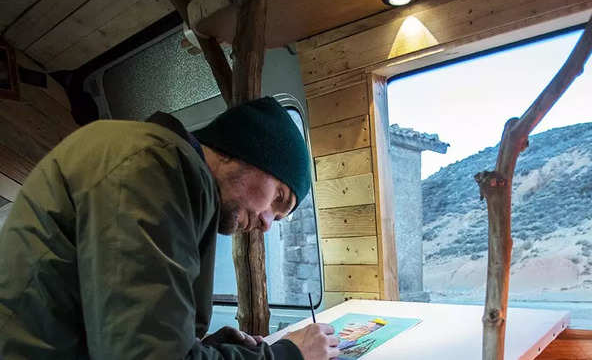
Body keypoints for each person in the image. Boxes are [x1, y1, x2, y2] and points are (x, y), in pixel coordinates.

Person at [0, 97, 340, 359]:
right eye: (277, 198)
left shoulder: (169, 174)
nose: (266, 223)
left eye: (278, 218)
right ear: (244, 149)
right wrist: (287, 354)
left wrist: (210, 347)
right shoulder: (152, 169)